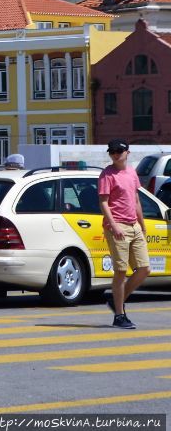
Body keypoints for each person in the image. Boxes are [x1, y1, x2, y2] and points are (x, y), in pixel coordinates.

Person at [99, 139, 149, 329]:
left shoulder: (132, 173)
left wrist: (142, 225)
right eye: (112, 151)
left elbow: (136, 200)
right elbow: (103, 202)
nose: (115, 154)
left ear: (128, 152)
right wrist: (113, 226)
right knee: (121, 271)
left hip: (134, 225)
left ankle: (116, 301)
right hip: (117, 226)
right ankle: (119, 315)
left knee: (144, 269)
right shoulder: (107, 175)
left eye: (119, 151)